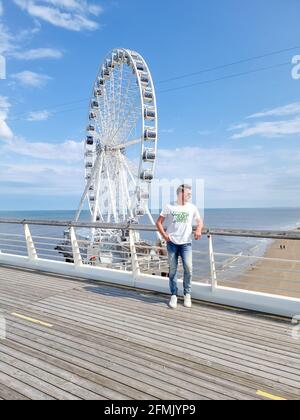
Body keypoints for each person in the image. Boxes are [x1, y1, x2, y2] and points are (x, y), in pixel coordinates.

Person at [156, 184, 203, 309]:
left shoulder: (192, 207)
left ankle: (187, 294)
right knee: (172, 270)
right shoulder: (169, 206)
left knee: (188, 268)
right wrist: (165, 236)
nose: (190, 196)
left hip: (186, 243)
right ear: (181, 193)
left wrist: (198, 229)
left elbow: (199, 221)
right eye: (188, 193)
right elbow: (158, 222)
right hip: (172, 243)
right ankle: (174, 295)